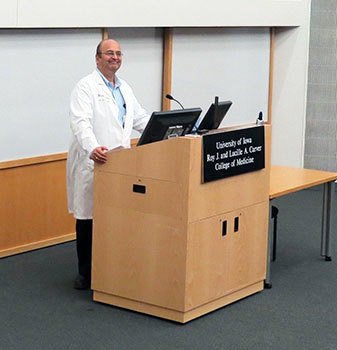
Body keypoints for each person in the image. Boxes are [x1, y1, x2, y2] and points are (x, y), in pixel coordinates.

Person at [66, 39, 149, 290]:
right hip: (94, 162)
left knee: (115, 218)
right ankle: (86, 274)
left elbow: (139, 118)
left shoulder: (124, 88)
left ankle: (111, 268)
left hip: (120, 164)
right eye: (109, 53)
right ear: (97, 58)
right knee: (89, 218)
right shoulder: (85, 87)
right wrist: (92, 147)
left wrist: (169, 129)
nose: (115, 57)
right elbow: (80, 122)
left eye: (118, 53)